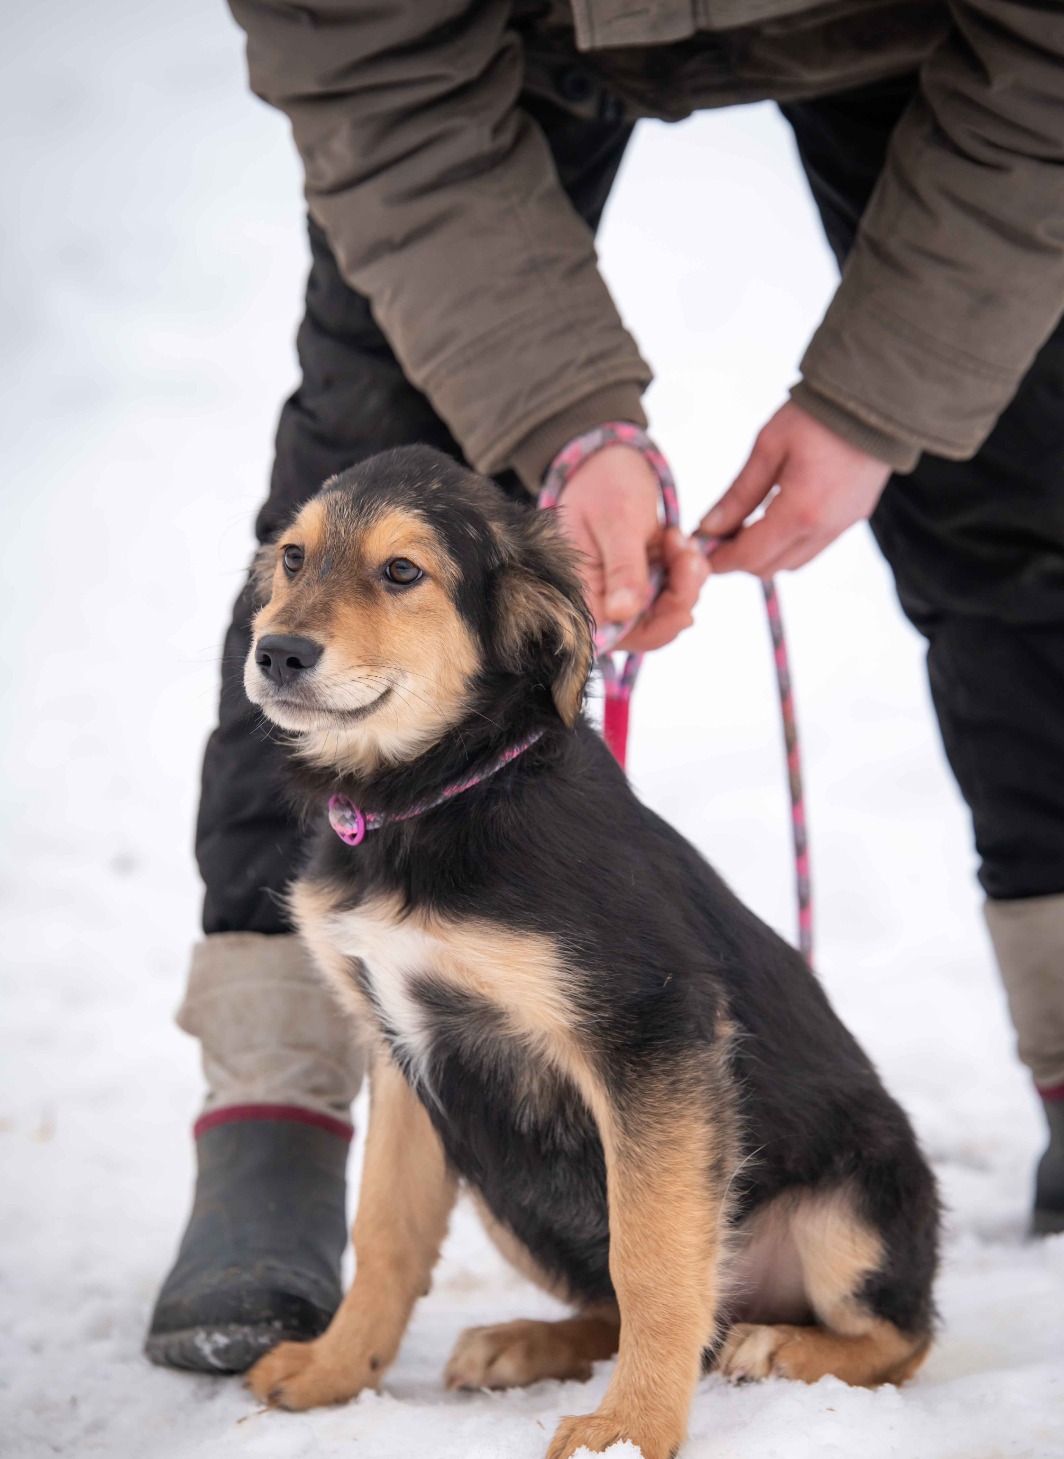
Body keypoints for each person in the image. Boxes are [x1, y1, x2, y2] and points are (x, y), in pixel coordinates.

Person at [146, 1, 1064, 1373]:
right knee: (365, 441)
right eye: (283, 572)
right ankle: (268, 1112)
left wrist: (883, 402)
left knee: (1022, 509)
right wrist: (567, 423)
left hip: (929, 37)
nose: (292, 619)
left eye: (395, 584)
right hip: (471, 55)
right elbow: (367, 67)